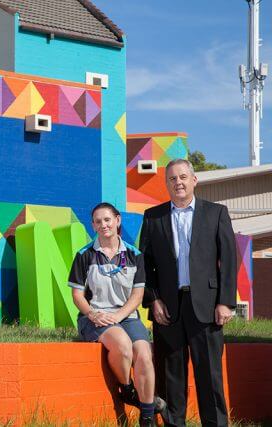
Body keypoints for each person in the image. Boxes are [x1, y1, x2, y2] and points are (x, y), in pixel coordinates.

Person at [140, 158, 236, 427]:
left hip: (206, 307)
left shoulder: (216, 213)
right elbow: (145, 263)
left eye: (183, 177)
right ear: (166, 184)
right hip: (168, 309)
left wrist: (225, 302)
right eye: (172, 178)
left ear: (194, 180)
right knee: (171, 378)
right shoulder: (153, 216)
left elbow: (229, 259)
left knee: (210, 376)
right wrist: (153, 299)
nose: (178, 182)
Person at [69, 202, 165, 427]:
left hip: (127, 315)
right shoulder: (84, 255)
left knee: (144, 353)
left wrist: (119, 315)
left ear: (117, 220)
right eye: (98, 221)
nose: (103, 225)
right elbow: (77, 295)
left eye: (107, 220)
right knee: (122, 345)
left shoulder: (135, 255)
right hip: (95, 317)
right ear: (92, 225)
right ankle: (128, 389)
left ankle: (147, 417)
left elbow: (138, 295)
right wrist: (92, 314)